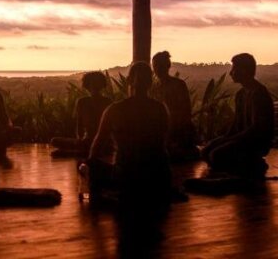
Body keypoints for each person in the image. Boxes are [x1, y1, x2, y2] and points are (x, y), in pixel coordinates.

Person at [88, 62, 172, 207]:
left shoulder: (115, 109)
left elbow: (97, 146)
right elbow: (163, 145)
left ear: (128, 81)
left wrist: (90, 165)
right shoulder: (160, 109)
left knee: (89, 166)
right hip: (158, 176)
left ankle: (102, 199)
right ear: (150, 83)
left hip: (126, 176)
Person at [201, 53, 274, 177]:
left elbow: (256, 128)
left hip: (255, 142)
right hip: (242, 138)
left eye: (234, 69)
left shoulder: (259, 94)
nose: (231, 73)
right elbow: (237, 123)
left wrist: (230, 140)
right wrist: (225, 138)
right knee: (205, 151)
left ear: (244, 70)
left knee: (216, 155)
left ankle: (252, 162)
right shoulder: (240, 94)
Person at [151, 51, 199, 161]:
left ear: (167, 66)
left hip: (179, 129)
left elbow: (185, 112)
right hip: (163, 129)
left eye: (159, 65)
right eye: (155, 66)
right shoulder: (154, 88)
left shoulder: (178, 85)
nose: (157, 69)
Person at [51, 71, 112, 156]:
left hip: (100, 142)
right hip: (88, 141)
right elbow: (79, 125)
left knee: (56, 145)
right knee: (54, 141)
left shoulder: (105, 102)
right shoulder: (83, 102)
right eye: (92, 83)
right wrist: (80, 139)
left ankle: (83, 150)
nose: (94, 86)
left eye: (95, 83)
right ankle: (84, 149)